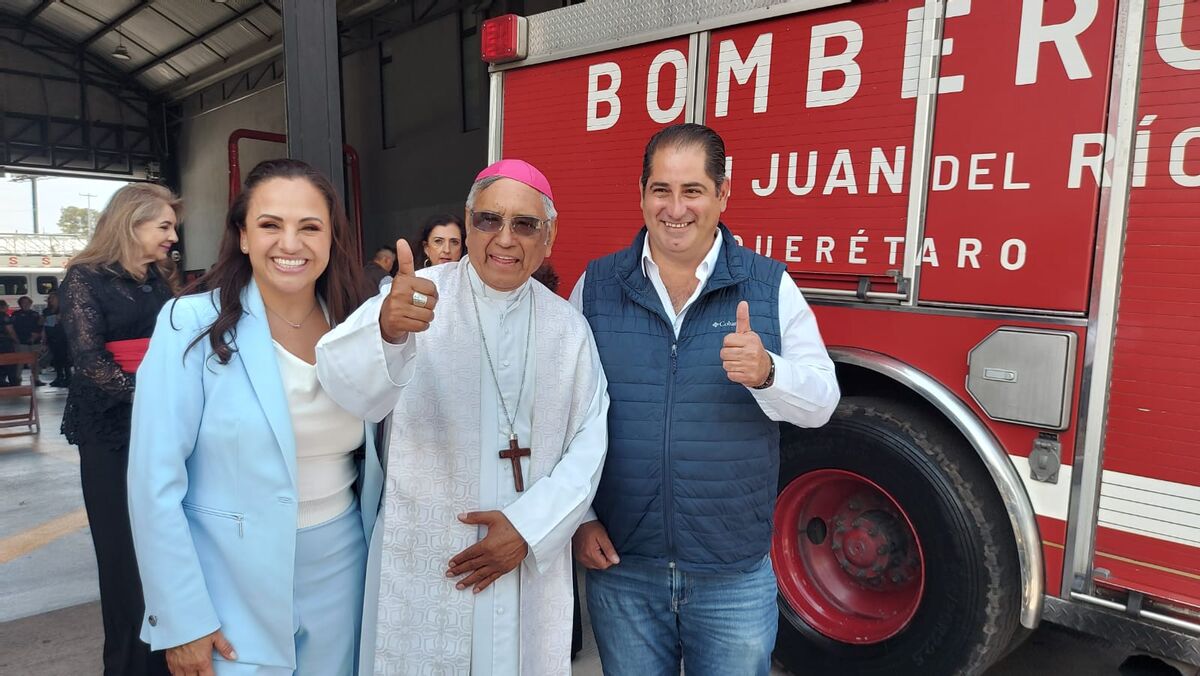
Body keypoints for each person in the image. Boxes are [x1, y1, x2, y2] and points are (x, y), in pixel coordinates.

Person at [316, 159, 609, 675]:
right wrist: (386, 332)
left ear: (549, 237)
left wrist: (528, 528)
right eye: (489, 220)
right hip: (427, 553)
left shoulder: (568, 328)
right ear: (468, 224)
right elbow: (347, 390)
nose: (505, 238)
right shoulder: (415, 296)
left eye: (525, 224)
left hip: (526, 558)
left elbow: (589, 442)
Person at [570, 123, 841, 675]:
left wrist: (768, 373)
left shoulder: (769, 286)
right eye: (661, 190)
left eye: (692, 190)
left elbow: (823, 403)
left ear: (723, 194)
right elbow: (563, 415)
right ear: (641, 194)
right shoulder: (595, 287)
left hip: (731, 577)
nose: (676, 209)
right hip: (622, 568)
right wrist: (582, 517)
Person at [128, 159, 382, 676]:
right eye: (270, 225)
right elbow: (154, 481)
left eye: (310, 227)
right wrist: (182, 618)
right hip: (228, 583)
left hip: (343, 570)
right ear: (243, 236)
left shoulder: (357, 324)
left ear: (331, 239)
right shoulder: (190, 323)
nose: (290, 243)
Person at [59, 183, 181, 676]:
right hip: (111, 426)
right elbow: (89, 360)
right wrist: (153, 398)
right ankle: (130, 664)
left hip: (157, 417)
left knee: (162, 539)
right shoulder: (83, 277)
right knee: (121, 548)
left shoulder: (158, 278)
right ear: (132, 224)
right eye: (165, 226)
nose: (173, 236)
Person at [12, 295, 43, 385]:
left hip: (35, 342)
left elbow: (40, 326)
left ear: (30, 303)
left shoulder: (35, 314)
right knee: (20, 361)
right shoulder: (16, 315)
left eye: (27, 302)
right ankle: (17, 379)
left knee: (35, 362)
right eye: (23, 302)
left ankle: (36, 379)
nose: (26, 304)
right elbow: (14, 328)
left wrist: (37, 335)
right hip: (21, 342)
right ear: (20, 304)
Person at [42, 291, 71, 386]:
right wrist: (44, 340)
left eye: (53, 297)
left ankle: (68, 377)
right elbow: (44, 324)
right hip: (51, 337)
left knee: (64, 358)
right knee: (56, 359)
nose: (51, 300)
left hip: (62, 337)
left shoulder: (64, 309)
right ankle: (59, 377)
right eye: (50, 298)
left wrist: (53, 319)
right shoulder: (47, 311)